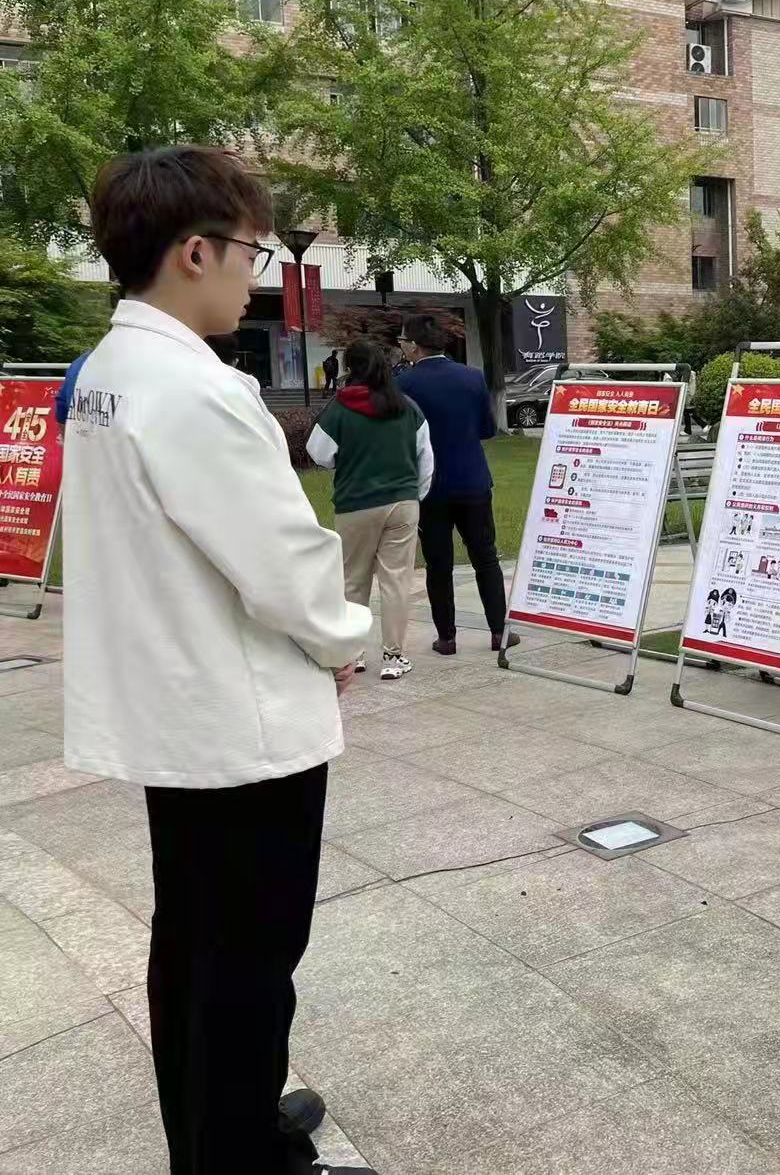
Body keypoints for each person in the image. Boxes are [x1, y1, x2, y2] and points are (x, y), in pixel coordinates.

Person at [61, 146, 376, 1175]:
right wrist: (342, 638)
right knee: (247, 962)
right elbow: (283, 564)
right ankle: (237, 1155)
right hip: (240, 723)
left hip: (177, 707)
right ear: (194, 252)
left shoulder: (110, 372)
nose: (256, 273)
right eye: (252, 250)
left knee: (194, 946)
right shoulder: (197, 389)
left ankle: (221, 1134)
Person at [307, 339, 434, 681]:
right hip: (402, 503)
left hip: (355, 504)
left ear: (349, 367)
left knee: (353, 580)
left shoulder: (340, 407)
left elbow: (318, 451)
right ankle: (393, 656)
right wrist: (415, 496)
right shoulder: (405, 406)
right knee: (396, 581)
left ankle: (355, 654)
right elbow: (426, 458)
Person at [395, 314, 515, 654]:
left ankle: (446, 638)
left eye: (402, 342)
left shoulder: (403, 384)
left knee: (438, 564)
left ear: (414, 346)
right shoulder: (472, 377)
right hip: (473, 480)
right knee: (485, 557)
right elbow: (487, 429)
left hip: (429, 485)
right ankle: (499, 632)